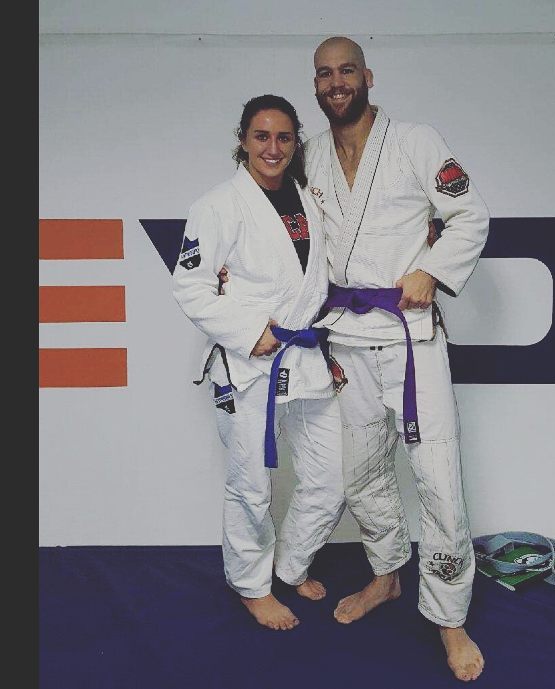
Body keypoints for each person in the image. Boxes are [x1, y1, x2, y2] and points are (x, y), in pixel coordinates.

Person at [304, 37, 490, 681]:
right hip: (345, 338)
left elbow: (469, 215)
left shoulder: (415, 141)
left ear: (367, 76)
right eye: (324, 74)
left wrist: (432, 271)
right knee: (360, 470)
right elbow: (291, 239)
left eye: (346, 70)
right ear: (316, 85)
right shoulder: (310, 155)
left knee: (437, 477)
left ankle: (449, 616)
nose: (336, 83)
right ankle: (386, 575)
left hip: (411, 337)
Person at [172, 94, 346, 631]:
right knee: (250, 485)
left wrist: (329, 346)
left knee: (330, 479)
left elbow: (318, 282)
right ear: (243, 140)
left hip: (306, 359)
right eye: (261, 136)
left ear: (296, 143)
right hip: (248, 366)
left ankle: (289, 564)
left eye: (284, 137)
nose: (273, 147)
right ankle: (251, 584)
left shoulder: (308, 199)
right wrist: (251, 332)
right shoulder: (218, 205)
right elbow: (191, 287)